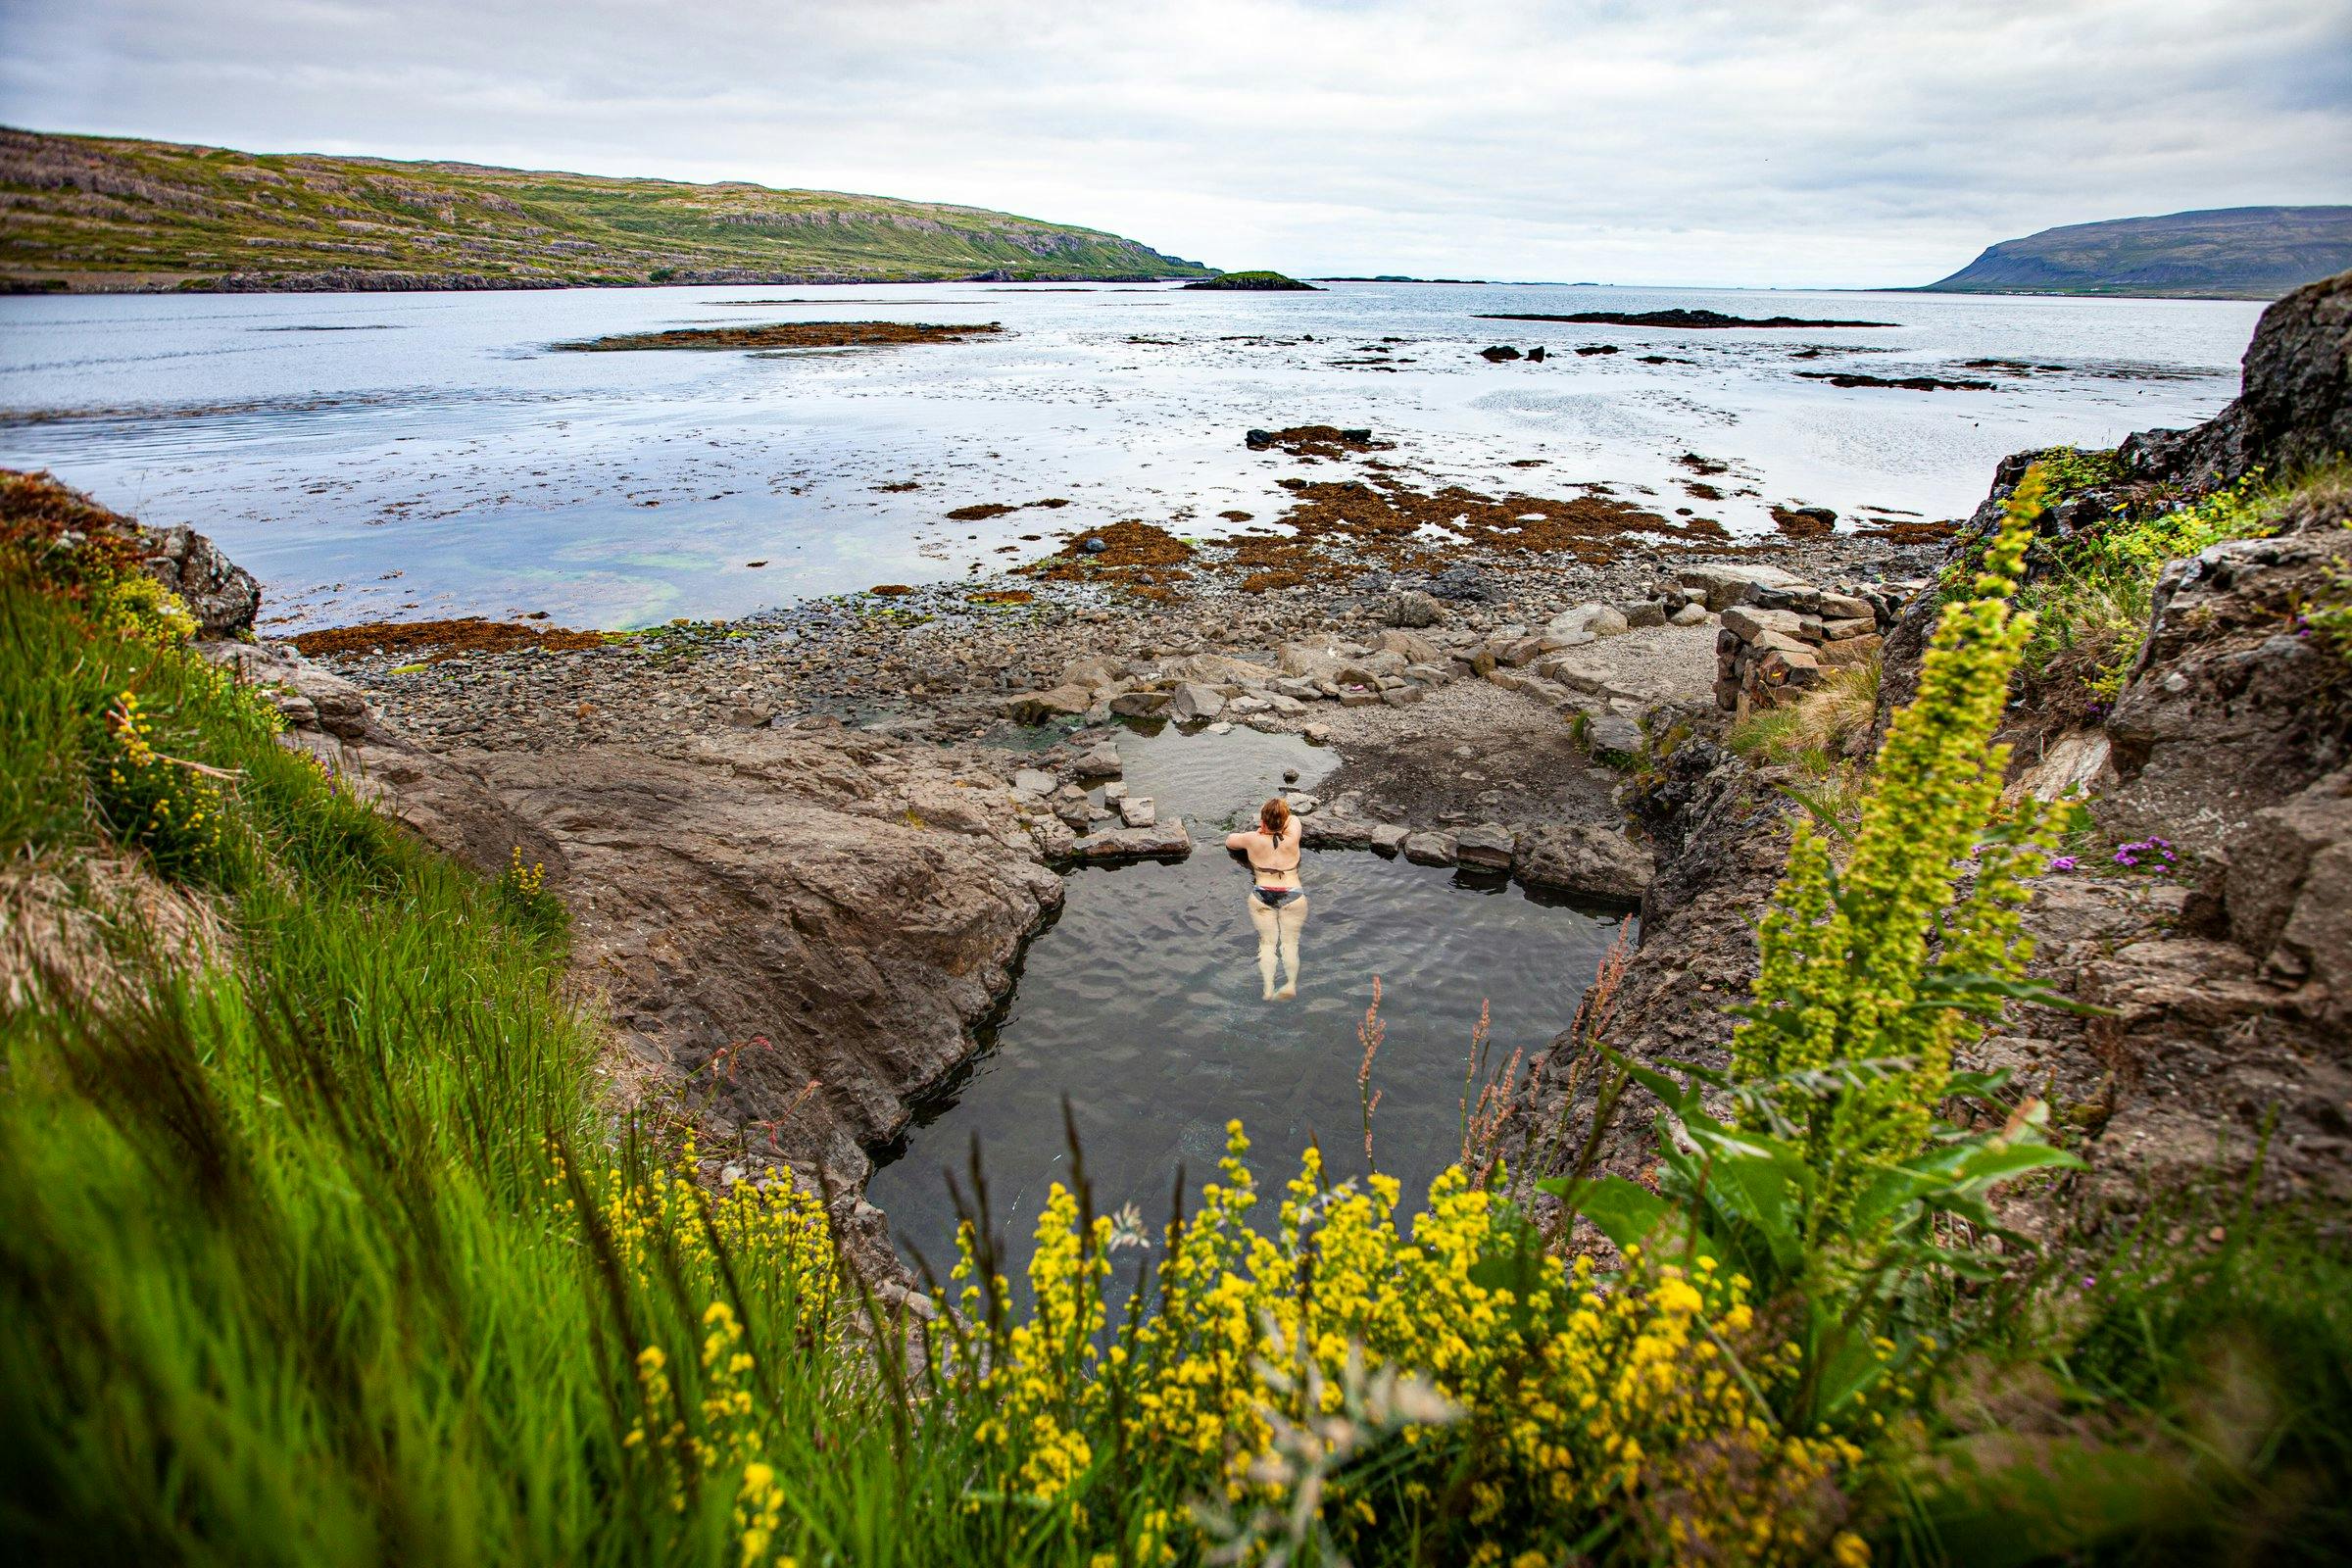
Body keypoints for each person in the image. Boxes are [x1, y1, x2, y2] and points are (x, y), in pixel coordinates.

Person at [1226, 798, 1308, 1001]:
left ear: (1263, 820)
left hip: (1262, 893)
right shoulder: (1293, 836)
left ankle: (1268, 988)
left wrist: (1260, 830)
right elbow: (1294, 819)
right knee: (1290, 943)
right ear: (1284, 819)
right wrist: (1278, 820)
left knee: (1267, 943)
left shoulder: (1252, 839)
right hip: (1293, 894)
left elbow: (1229, 840)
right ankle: (1290, 984)